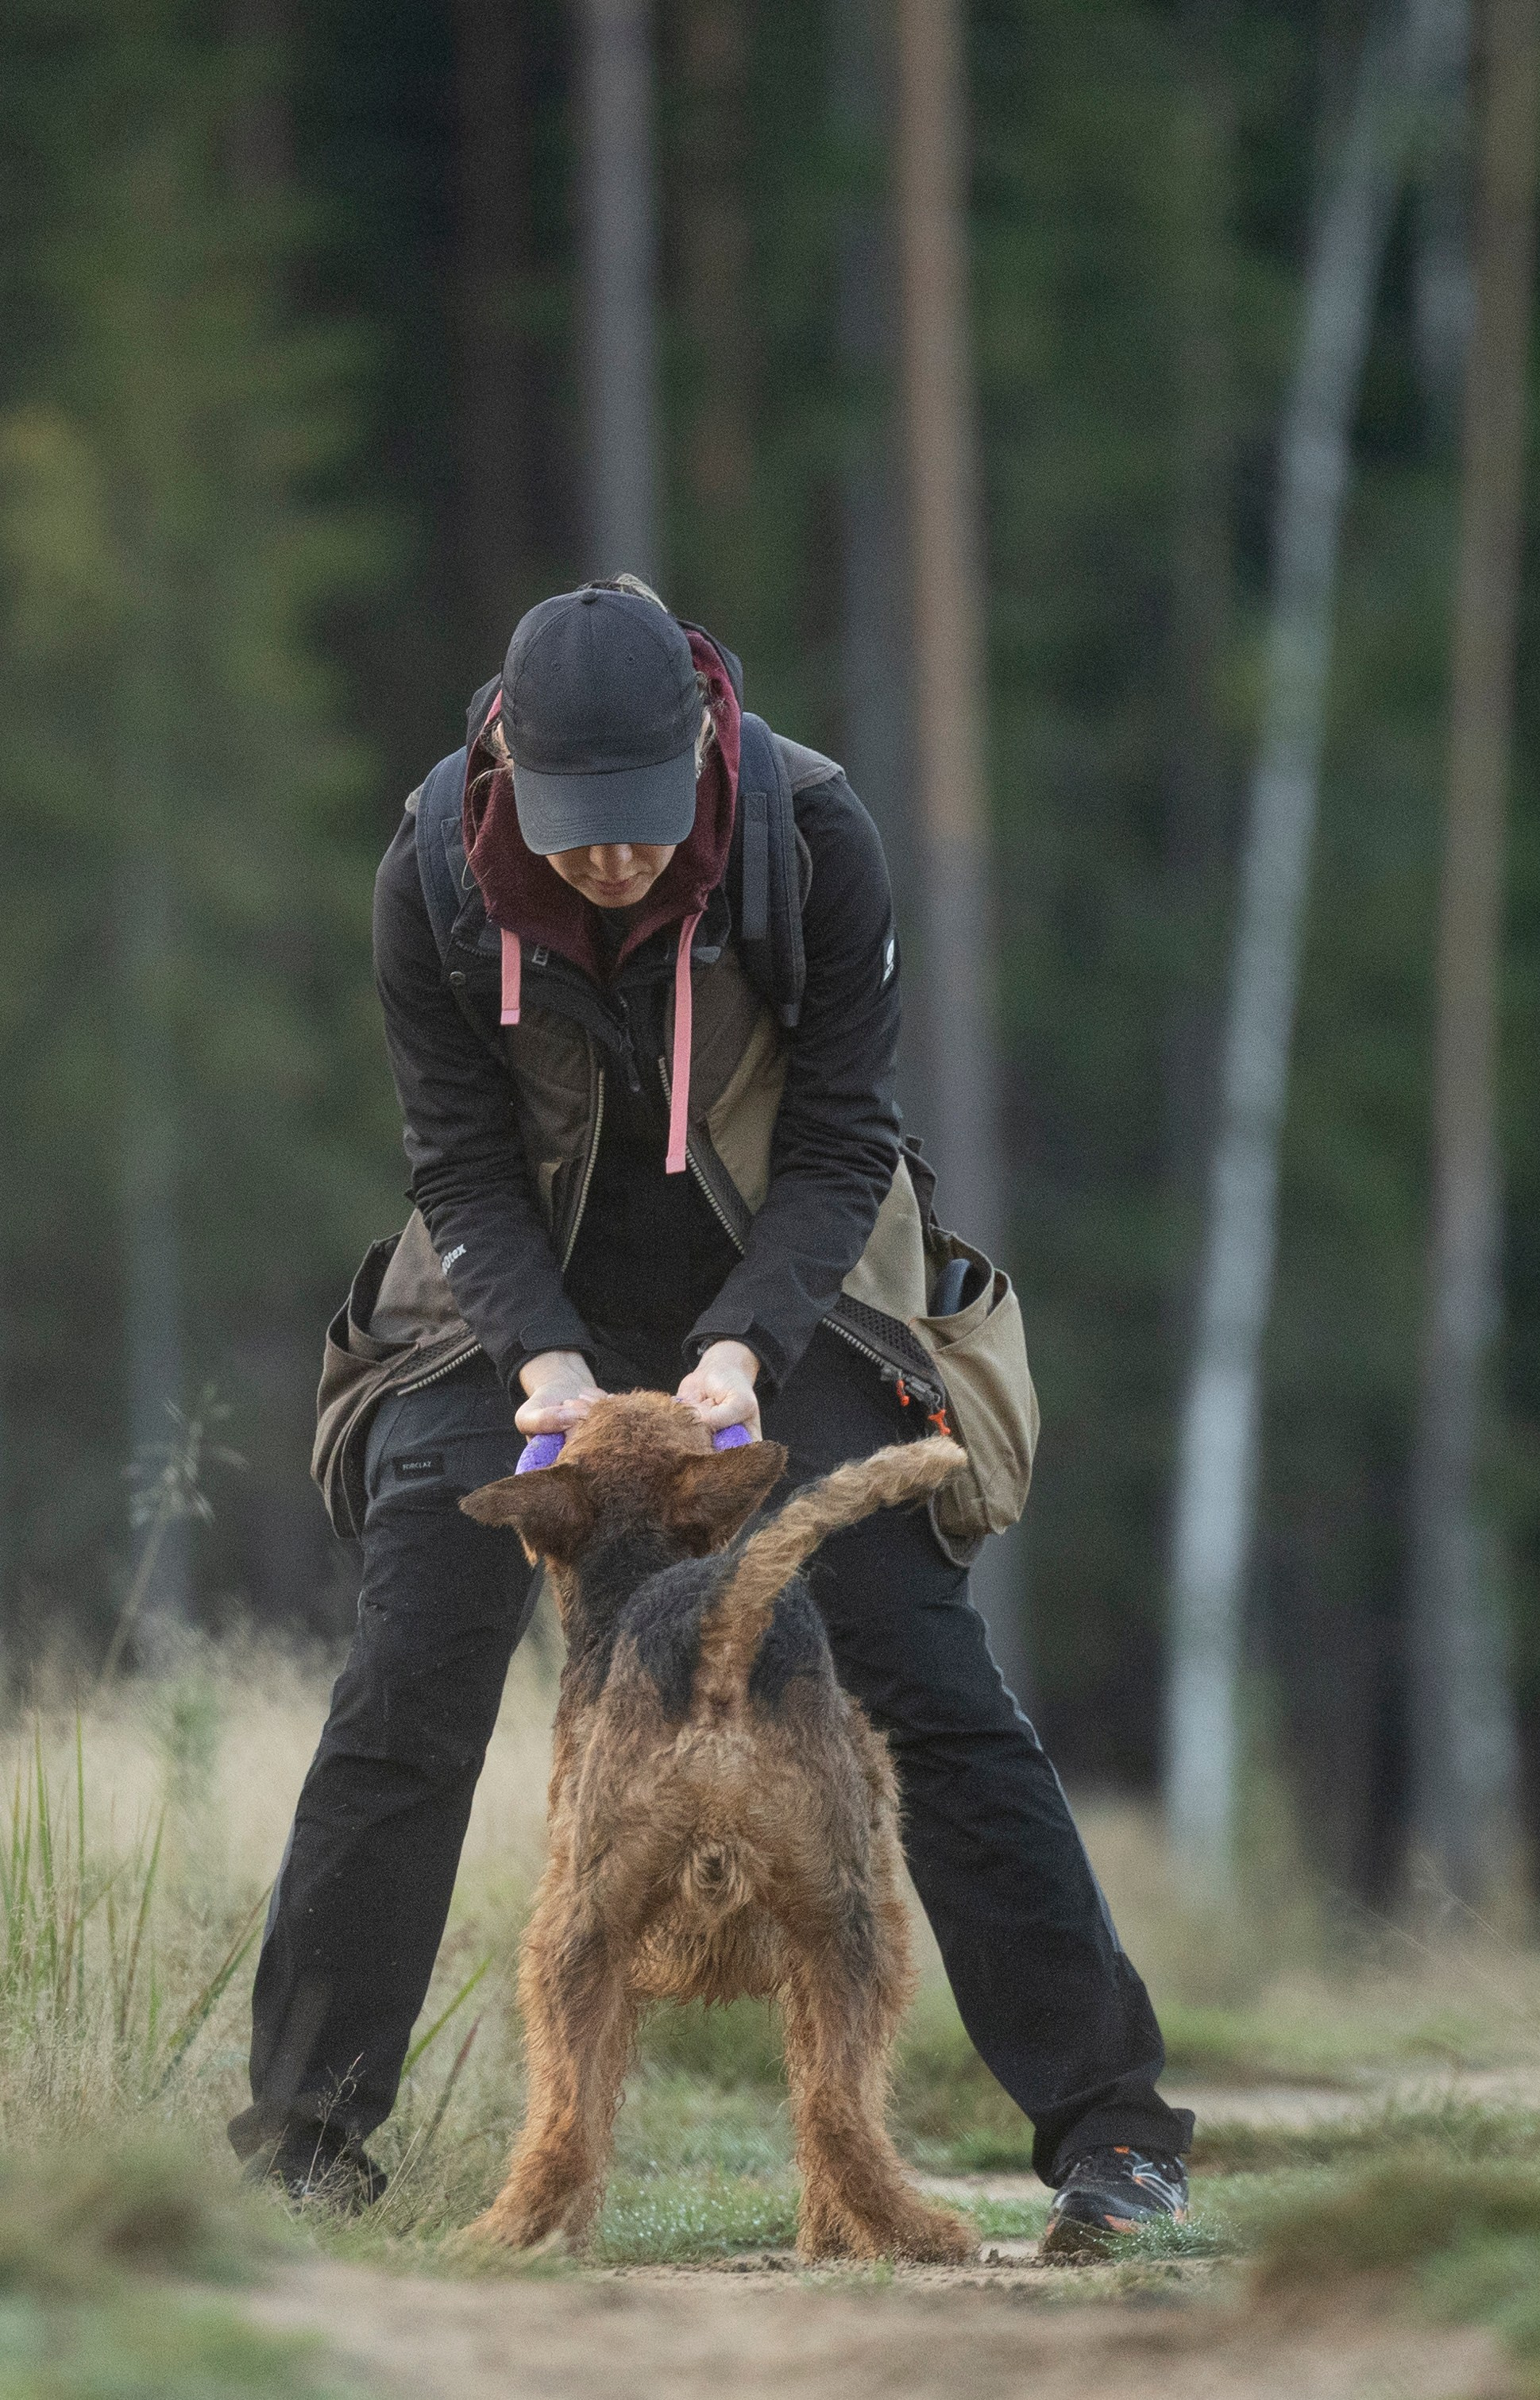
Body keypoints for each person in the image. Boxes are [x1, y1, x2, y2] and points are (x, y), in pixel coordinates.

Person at [230, 578, 1194, 2253]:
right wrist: (539, 1359)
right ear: (509, 774)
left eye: (640, 823)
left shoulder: (812, 839)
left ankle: (1112, 2132)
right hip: (519, 1289)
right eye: (574, 827)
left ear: (702, 750)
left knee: (906, 1637)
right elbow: (456, 1158)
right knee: (415, 1645)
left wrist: (745, 1347)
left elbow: (843, 1142)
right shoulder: (430, 873)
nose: (608, 858)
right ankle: (304, 2142)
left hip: (783, 1271)